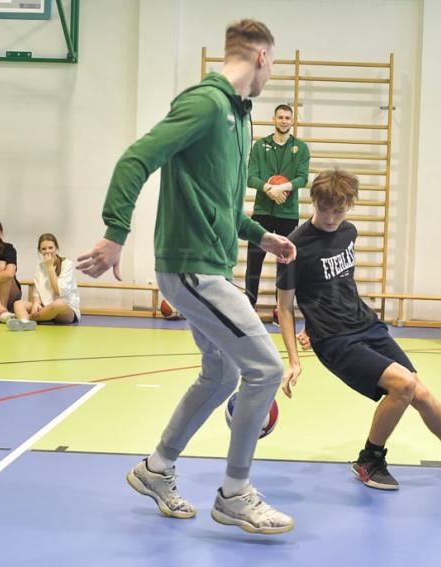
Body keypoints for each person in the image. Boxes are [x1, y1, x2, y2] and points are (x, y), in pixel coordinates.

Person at [77, 19, 296, 535]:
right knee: (264, 369)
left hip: (211, 264)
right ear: (262, 57)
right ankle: (235, 494)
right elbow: (137, 158)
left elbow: (219, 201)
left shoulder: (239, 117)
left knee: (221, 374)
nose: (273, 72)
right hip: (192, 268)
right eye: (275, 62)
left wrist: (260, 236)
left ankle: (156, 468)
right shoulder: (206, 103)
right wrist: (114, 232)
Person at [277, 169, 441, 491]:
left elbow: (332, 284)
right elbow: (283, 306)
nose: (331, 217)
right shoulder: (293, 246)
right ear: (314, 202)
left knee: (420, 392)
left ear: (350, 205)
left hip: (366, 324)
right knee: (403, 385)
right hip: (334, 340)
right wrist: (294, 359)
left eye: (339, 210)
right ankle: (370, 459)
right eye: (324, 210)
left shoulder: (348, 232)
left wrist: (314, 317)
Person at [245, 103, 310, 324]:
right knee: (255, 260)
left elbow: (303, 178)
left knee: (286, 262)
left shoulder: (300, 148)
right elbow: (250, 176)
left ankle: (280, 310)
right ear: (274, 119)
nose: (283, 121)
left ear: (292, 121)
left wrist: (281, 188)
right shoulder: (260, 146)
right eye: (280, 117)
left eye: (287, 118)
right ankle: (250, 306)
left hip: (288, 213)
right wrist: (268, 189)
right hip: (263, 210)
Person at [8, 233, 79, 331]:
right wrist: (36, 304)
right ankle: (26, 324)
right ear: (40, 251)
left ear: (56, 248)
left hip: (65, 309)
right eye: (44, 249)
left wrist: (50, 267)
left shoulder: (67, 264)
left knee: (58, 304)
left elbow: (59, 291)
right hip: (45, 307)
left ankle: (25, 319)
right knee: (18, 303)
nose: (47, 251)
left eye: (50, 248)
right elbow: (37, 292)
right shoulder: (39, 267)